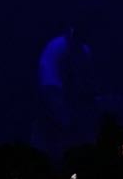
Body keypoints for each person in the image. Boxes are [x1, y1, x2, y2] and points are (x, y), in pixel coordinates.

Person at [33, 22, 98, 159]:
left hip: (54, 88)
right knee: (63, 122)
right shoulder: (63, 47)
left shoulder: (71, 47)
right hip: (53, 88)